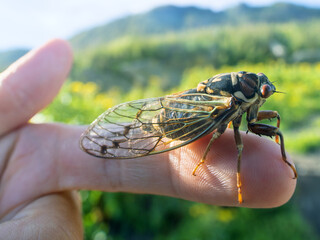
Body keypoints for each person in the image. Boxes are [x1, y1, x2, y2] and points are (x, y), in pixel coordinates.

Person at [0, 39, 296, 239]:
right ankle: (225, 169)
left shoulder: (243, 94)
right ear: (250, 92)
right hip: (187, 119)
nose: (264, 91)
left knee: (271, 130)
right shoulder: (233, 102)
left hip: (194, 106)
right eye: (262, 89)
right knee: (237, 143)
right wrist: (205, 158)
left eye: (264, 89)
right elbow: (231, 137)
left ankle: (271, 160)